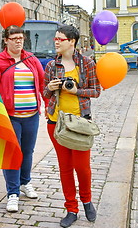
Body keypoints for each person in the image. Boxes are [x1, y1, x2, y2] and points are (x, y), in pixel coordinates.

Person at [0, 26, 48, 213]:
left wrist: (48, 106)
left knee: (28, 152)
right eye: (13, 38)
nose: (18, 41)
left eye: (20, 38)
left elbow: (42, 83)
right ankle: (12, 193)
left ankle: (25, 183)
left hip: (31, 116)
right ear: (6, 40)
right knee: (11, 153)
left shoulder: (31, 60)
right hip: (9, 117)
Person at [43, 25, 101, 228]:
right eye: (55, 38)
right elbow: (45, 94)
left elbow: (96, 91)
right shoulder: (51, 66)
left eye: (60, 39)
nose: (56, 41)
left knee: (82, 168)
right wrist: (49, 89)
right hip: (56, 123)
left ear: (72, 41)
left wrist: (76, 90)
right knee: (65, 168)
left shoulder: (86, 64)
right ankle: (71, 208)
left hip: (79, 123)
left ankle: (86, 200)